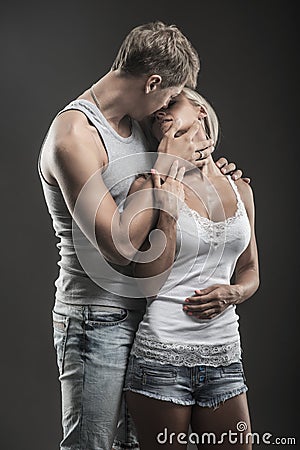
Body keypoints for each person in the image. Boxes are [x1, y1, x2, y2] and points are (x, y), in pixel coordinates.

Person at [38, 21, 249, 450]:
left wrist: (210, 170)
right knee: (91, 446)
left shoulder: (138, 126)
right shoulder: (75, 136)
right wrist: (170, 166)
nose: (166, 110)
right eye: (170, 95)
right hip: (97, 319)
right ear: (152, 82)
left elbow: (166, 203)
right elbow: (121, 249)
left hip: (152, 319)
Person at [124, 87, 260, 450]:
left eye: (171, 103)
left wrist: (234, 293)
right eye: (155, 114)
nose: (161, 113)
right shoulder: (147, 185)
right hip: (160, 357)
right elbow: (147, 285)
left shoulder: (240, 189)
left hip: (224, 356)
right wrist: (167, 208)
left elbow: (249, 270)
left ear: (199, 111)